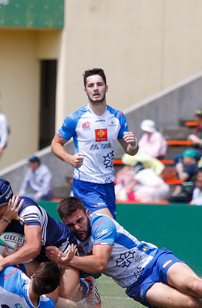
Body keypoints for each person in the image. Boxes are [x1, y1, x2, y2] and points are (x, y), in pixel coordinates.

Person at [48, 196, 202, 308]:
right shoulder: (73, 241)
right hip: (138, 285)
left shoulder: (100, 223)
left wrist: (66, 260)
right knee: (191, 305)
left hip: (154, 260)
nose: (76, 227)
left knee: (193, 285)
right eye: (70, 224)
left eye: (79, 220)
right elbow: (94, 270)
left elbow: (99, 263)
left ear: (86, 213)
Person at [0, 177, 99, 307]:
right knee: (32, 292)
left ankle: (86, 286)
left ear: (10, 201)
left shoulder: (28, 209)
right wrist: (5, 221)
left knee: (67, 295)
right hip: (32, 257)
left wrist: (2, 262)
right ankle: (64, 305)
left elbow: (33, 247)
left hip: (59, 248)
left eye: (0, 206)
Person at [51, 68, 138, 219]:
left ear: (106, 87)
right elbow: (55, 143)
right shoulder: (75, 118)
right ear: (85, 90)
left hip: (108, 184)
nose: (96, 89)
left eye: (99, 84)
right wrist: (69, 159)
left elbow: (130, 151)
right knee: (109, 226)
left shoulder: (118, 116)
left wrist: (134, 145)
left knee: (103, 236)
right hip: (85, 184)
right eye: (91, 85)